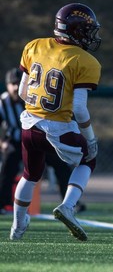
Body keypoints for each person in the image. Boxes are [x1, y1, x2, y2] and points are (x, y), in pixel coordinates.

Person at [10, 2, 101, 241]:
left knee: (31, 174)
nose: (91, 35)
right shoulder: (85, 60)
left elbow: (21, 91)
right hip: (57, 128)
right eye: (87, 30)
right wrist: (90, 138)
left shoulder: (34, 46)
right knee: (88, 158)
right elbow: (79, 109)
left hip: (29, 124)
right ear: (76, 30)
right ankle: (68, 206)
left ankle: (17, 228)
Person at [0, 68, 86, 215]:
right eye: (12, 84)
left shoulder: (35, 99)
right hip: (16, 143)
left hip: (38, 141)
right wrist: (2, 143)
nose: (15, 87)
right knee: (8, 166)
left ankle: (70, 203)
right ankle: (3, 203)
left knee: (61, 166)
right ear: (7, 85)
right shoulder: (3, 102)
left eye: (18, 83)